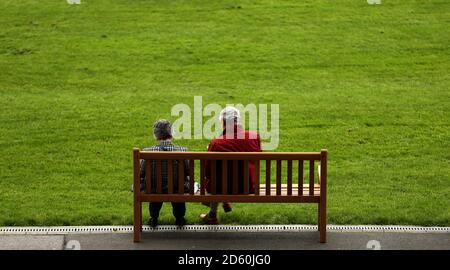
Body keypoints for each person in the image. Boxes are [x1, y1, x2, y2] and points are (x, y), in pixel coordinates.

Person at [201, 106, 262, 224]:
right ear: (238, 121)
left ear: (223, 122)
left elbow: (207, 171)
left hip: (220, 187)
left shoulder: (216, 143)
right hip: (247, 186)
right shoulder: (254, 137)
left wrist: (210, 149)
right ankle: (223, 203)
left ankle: (214, 212)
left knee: (213, 182)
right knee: (222, 178)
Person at [139, 119, 190, 227]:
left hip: (153, 188)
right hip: (178, 188)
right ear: (171, 133)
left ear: (155, 135)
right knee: (178, 187)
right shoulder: (182, 151)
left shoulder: (147, 152)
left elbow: (141, 173)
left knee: (155, 186)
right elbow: (188, 171)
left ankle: (153, 217)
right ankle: (180, 218)